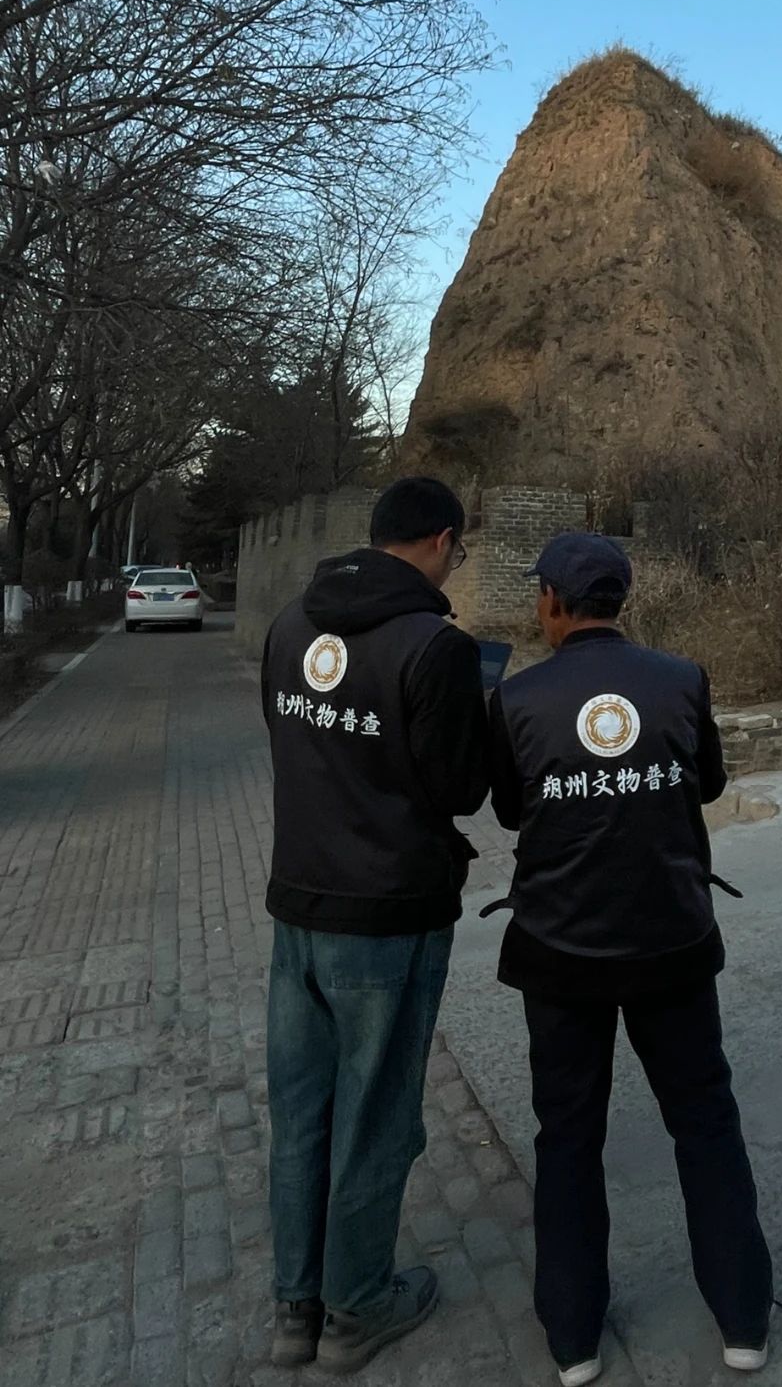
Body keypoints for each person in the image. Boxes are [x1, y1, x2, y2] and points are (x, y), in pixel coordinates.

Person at [486, 532, 774, 1386]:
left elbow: (509, 811)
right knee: (705, 1122)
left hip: (560, 951)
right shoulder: (680, 679)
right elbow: (708, 783)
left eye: (540, 594)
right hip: (670, 942)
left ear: (553, 603)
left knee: (569, 1137)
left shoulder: (518, 698)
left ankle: (573, 1340)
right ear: (621, 601)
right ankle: (744, 1321)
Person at [261, 477, 489, 1375]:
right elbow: (459, 789)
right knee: (377, 1117)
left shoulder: (290, 625)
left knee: (302, 1113)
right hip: (390, 916)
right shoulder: (436, 647)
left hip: (298, 908)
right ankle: (357, 1307)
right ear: (440, 540)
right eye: (458, 551)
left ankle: (296, 1307)